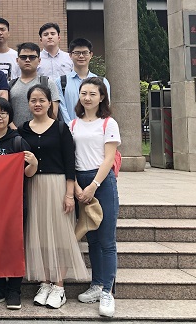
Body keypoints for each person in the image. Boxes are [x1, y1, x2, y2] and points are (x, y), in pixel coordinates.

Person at [17, 84, 87, 309]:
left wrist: (69, 194)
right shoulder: (23, 130)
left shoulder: (60, 128)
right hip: (33, 186)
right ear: (28, 104)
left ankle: (59, 286)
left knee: (60, 235)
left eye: (41, 100)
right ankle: (45, 282)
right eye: (33, 100)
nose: (37, 104)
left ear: (50, 103)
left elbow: (69, 162)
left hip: (57, 185)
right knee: (40, 236)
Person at [0, 97, 37, 310]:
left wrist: (34, 164)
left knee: (14, 245)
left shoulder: (17, 141)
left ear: (9, 116)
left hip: (14, 203)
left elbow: (28, 173)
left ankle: (14, 290)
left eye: (3, 113)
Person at [71, 77, 121, 318]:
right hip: (79, 181)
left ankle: (108, 291)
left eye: (93, 94)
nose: (87, 97)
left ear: (102, 97)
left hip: (101, 182)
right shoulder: (72, 124)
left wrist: (93, 185)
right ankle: (96, 284)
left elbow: (109, 158)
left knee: (106, 240)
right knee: (91, 237)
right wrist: (76, 187)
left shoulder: (108, 123)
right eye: (84, 93)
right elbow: (70, 158)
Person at [56, 38, 111, 125]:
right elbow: (62, 109)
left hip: (96, 129)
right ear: (70, 55)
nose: (81, 56)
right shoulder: (61, 82)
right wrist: (71, 127)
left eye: (85, 53)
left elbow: (105, 106)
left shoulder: (102, 82)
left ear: (91, 55)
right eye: (77, 53)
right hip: (69, 129)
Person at [9, 42, 60, 128]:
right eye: (23, 57)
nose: (27, 60)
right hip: (16, 133)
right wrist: (15, 131)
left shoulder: (48, 83)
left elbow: (53, 113)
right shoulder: (11, 85)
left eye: (32, 57)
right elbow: (6, 111)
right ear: (17, 60)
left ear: (39, 60)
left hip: (42, 133)